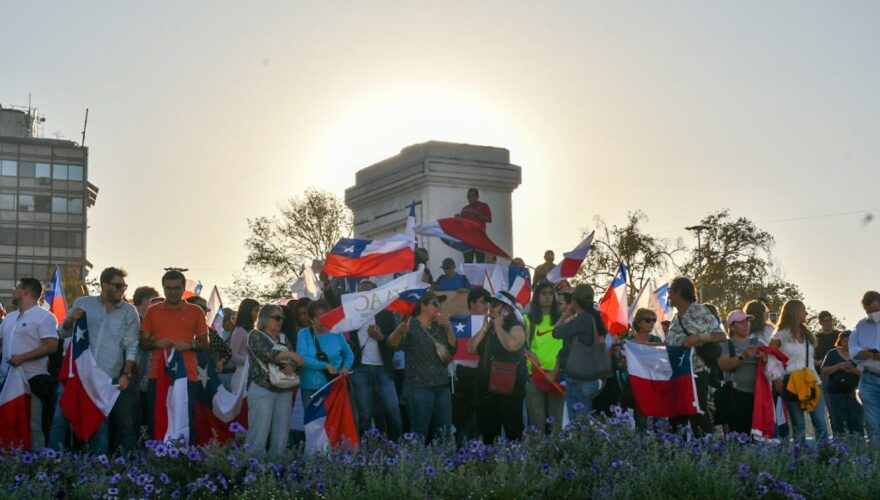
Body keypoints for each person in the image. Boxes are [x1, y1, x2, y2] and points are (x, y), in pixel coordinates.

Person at [50, 267, 140, 454]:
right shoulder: (83, 303)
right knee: (61, 418)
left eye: (124, 286)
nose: (122, 290)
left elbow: (132, 345)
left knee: (100, 424)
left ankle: (98, 470)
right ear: (104, 284)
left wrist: (126, 373)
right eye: (118, 285)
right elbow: (63, 331)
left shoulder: (129, 311)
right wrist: (71, 320)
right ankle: (51, 464)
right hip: (77, 372)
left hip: (106, 377)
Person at [140, 270, 209, 442]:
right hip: (158, 374)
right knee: (156, 419)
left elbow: (204, 343)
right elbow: (143, 342)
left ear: (183, 288)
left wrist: (189, 345)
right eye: (168, 288)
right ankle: (156, 459)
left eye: (176, 288)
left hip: (187, 375)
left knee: (187, 418)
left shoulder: (196, 311)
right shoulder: (152, 311)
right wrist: (156, 343)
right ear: (163, 288)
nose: (172, 292)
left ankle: (185, 462)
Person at [388, 292, 456, 443]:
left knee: (444, 432)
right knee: (419, 432)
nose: (439, 307)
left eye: (440, 303)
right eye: (435, 303)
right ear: (423, 305)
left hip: (442, 386)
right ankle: (417, 464)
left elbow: (452, 350)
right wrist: (400, 330)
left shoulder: (440, 325)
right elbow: (392, 344)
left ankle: (441, 463)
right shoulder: (410, 325)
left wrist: (449, 328)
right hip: (419, 387)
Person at [0, 277, 58, 449]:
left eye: (17, 287)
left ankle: (39, 467)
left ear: (26, 291)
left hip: (32, 379)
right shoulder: (9, 318)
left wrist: (22, 358)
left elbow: (51, 345)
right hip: (6, 380)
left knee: (34, 427)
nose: (13, 290)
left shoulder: (44, 317)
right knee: (8, 423)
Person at [663, 276, 726, 436]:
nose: (668, 295)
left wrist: (698, 338)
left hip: (696, 373)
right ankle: (679, 453)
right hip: (677, 375)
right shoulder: (675, 319)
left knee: (697, 413)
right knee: (676, 417)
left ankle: (707, 451)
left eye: (670, 291)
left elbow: (720, 335)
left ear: (680, 292)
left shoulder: (699, 311)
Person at [466, 291, 527, 443]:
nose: (490, 307)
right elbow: (471, 348)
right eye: (489, 304)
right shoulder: (489, 326)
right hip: (486, 390)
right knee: (488, 433)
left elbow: (512, 345)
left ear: (507, 308)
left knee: (513, 433)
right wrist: (485, 329)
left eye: (494, 304)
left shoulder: (515, 325)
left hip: (509, 391)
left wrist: (499, 327)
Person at [348, 280, 403, 441]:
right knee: (364, 414)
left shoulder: (385, 315)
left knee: (393, 411)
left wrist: (381, 337)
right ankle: (366, 450)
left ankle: (397, 448)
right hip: (361, 370)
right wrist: (327, 286)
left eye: (367, 292)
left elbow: (394, 344)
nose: (363, 296)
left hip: (383, 370)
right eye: (361, 292)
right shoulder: (353, 315)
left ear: (376, 295)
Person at [246, 304, 304, 455]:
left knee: (281, 434)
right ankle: (253, 470)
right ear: (265, 319)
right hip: (262, 389)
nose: (280, 321)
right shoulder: (255, 335)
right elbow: (269, 354)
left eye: (282, 318)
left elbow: (294, 359)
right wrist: (291, 357)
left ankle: (277, 469)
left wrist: (292, 365)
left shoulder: (283, 338)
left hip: (284, 390)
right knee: (258, 433)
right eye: (277, 318)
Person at [770, 299, 828, 441]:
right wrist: (776, 379)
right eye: (803, 310)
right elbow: (770, 358)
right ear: (794, 312)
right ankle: (800, 459)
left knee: (820, 422)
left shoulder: (807, 334)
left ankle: (826, 456)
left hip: (812, 381)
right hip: (792, 383)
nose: (806, 313)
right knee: (798, 425)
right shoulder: (779, 335)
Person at [553, 284, 608, 419]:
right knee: (584, 417)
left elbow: (556, 332)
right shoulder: (594, 317)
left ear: (575, 300)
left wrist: (567, 313)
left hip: (578, 375)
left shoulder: (582, 319)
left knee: (577, 421)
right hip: (589, 374)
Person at [523, 282, 564, 433]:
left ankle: (555, 456)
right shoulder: (528, 320)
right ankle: (538, 455)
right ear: (537, 297)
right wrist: (529, 352)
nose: (547, 297)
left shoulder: (562, 319)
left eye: (550, 294)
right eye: (543, 294)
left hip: (557, 376)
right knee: (537, 423)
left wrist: (555, 370)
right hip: (534, 375)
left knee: (556, 425)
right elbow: (521, 346)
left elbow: (567, 347)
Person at [297, 300, 353, 409]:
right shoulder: (304, 334)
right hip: (310, 387)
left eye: (326, 316)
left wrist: (346, 367)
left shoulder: (337, 333)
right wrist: (325, 365)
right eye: (318, 317)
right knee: (313, 424)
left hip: (333, 386)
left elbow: (349, 354)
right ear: (311, 319)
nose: (323, 320)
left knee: (332, 423)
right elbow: (302, 357)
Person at [452, 287, 491, 445]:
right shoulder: (458, 322)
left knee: (483, 415)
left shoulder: (493, 324)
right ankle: (462, 449)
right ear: (472, 304)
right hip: (463, 374)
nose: (487, 305)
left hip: (484, 374)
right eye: (483, 302)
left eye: (488, 302)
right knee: (462, 416)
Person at [717, 310, 765, 435]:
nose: (746, 325)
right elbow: (724, 366)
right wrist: (742, 356)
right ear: (732, 326)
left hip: (757, 396)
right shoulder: (726, 344)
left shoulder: (758, 343)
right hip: (736, 395)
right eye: (741, 322)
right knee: (737, 436)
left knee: (756, 436)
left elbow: (770, 369)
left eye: (748, 321)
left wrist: (766, 360)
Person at [617, 308, 663, 430]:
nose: (651, 323)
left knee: (659, 424)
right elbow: (620, 364)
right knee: (641, 424)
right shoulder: (627, 342)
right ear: (638, 322)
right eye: (648, 320)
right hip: (636, 387)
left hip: (654, 385)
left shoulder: (657, 341)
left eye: (654, 320)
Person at [848, 291, 880, 445]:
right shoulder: (861, 325)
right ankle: (875, 463)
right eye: (869, 311)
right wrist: (865, 353)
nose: (873, 314)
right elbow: (852, 349)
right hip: (869, 378)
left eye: (876, 310)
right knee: (873, 424)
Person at [822, 331, 863, 437]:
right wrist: (838, 366)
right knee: (838, 421)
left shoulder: (859, 354)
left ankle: (858, 447)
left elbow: (866, 373)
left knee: (856, 421)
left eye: (850, 341)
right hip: (835, 393)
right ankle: (841, 447)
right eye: (845, 341)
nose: (847, 344)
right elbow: (824, 370)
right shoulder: (832, 353)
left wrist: (853, 370)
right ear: (840, 341)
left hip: (854, 392)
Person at [132, 285, 159, 437]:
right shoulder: (132, 318)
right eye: (153, 300)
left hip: (146, 380)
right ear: (144, 300)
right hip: (133, 377)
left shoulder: (150, 320)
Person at [229, 298, 260, 392]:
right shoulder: (239, 330)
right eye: (256, 310)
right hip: (241, 377)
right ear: (247, 311)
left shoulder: (253, 331)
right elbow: (233, 355)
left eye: (258, 311)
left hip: (253, 375)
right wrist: (251, 361)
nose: (257, 314)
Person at [456, 188, 492, 263]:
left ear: (477, 196)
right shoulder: (465, 209)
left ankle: (480, 275)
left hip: (480, 237)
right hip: (467, 238)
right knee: (468, 262)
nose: (470, 198)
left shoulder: (483, 206)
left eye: (472, 196)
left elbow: (489, 219)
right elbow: (462, 224)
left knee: (480, 261)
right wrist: (458, 219)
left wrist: (477, 214)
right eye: (468, 196)